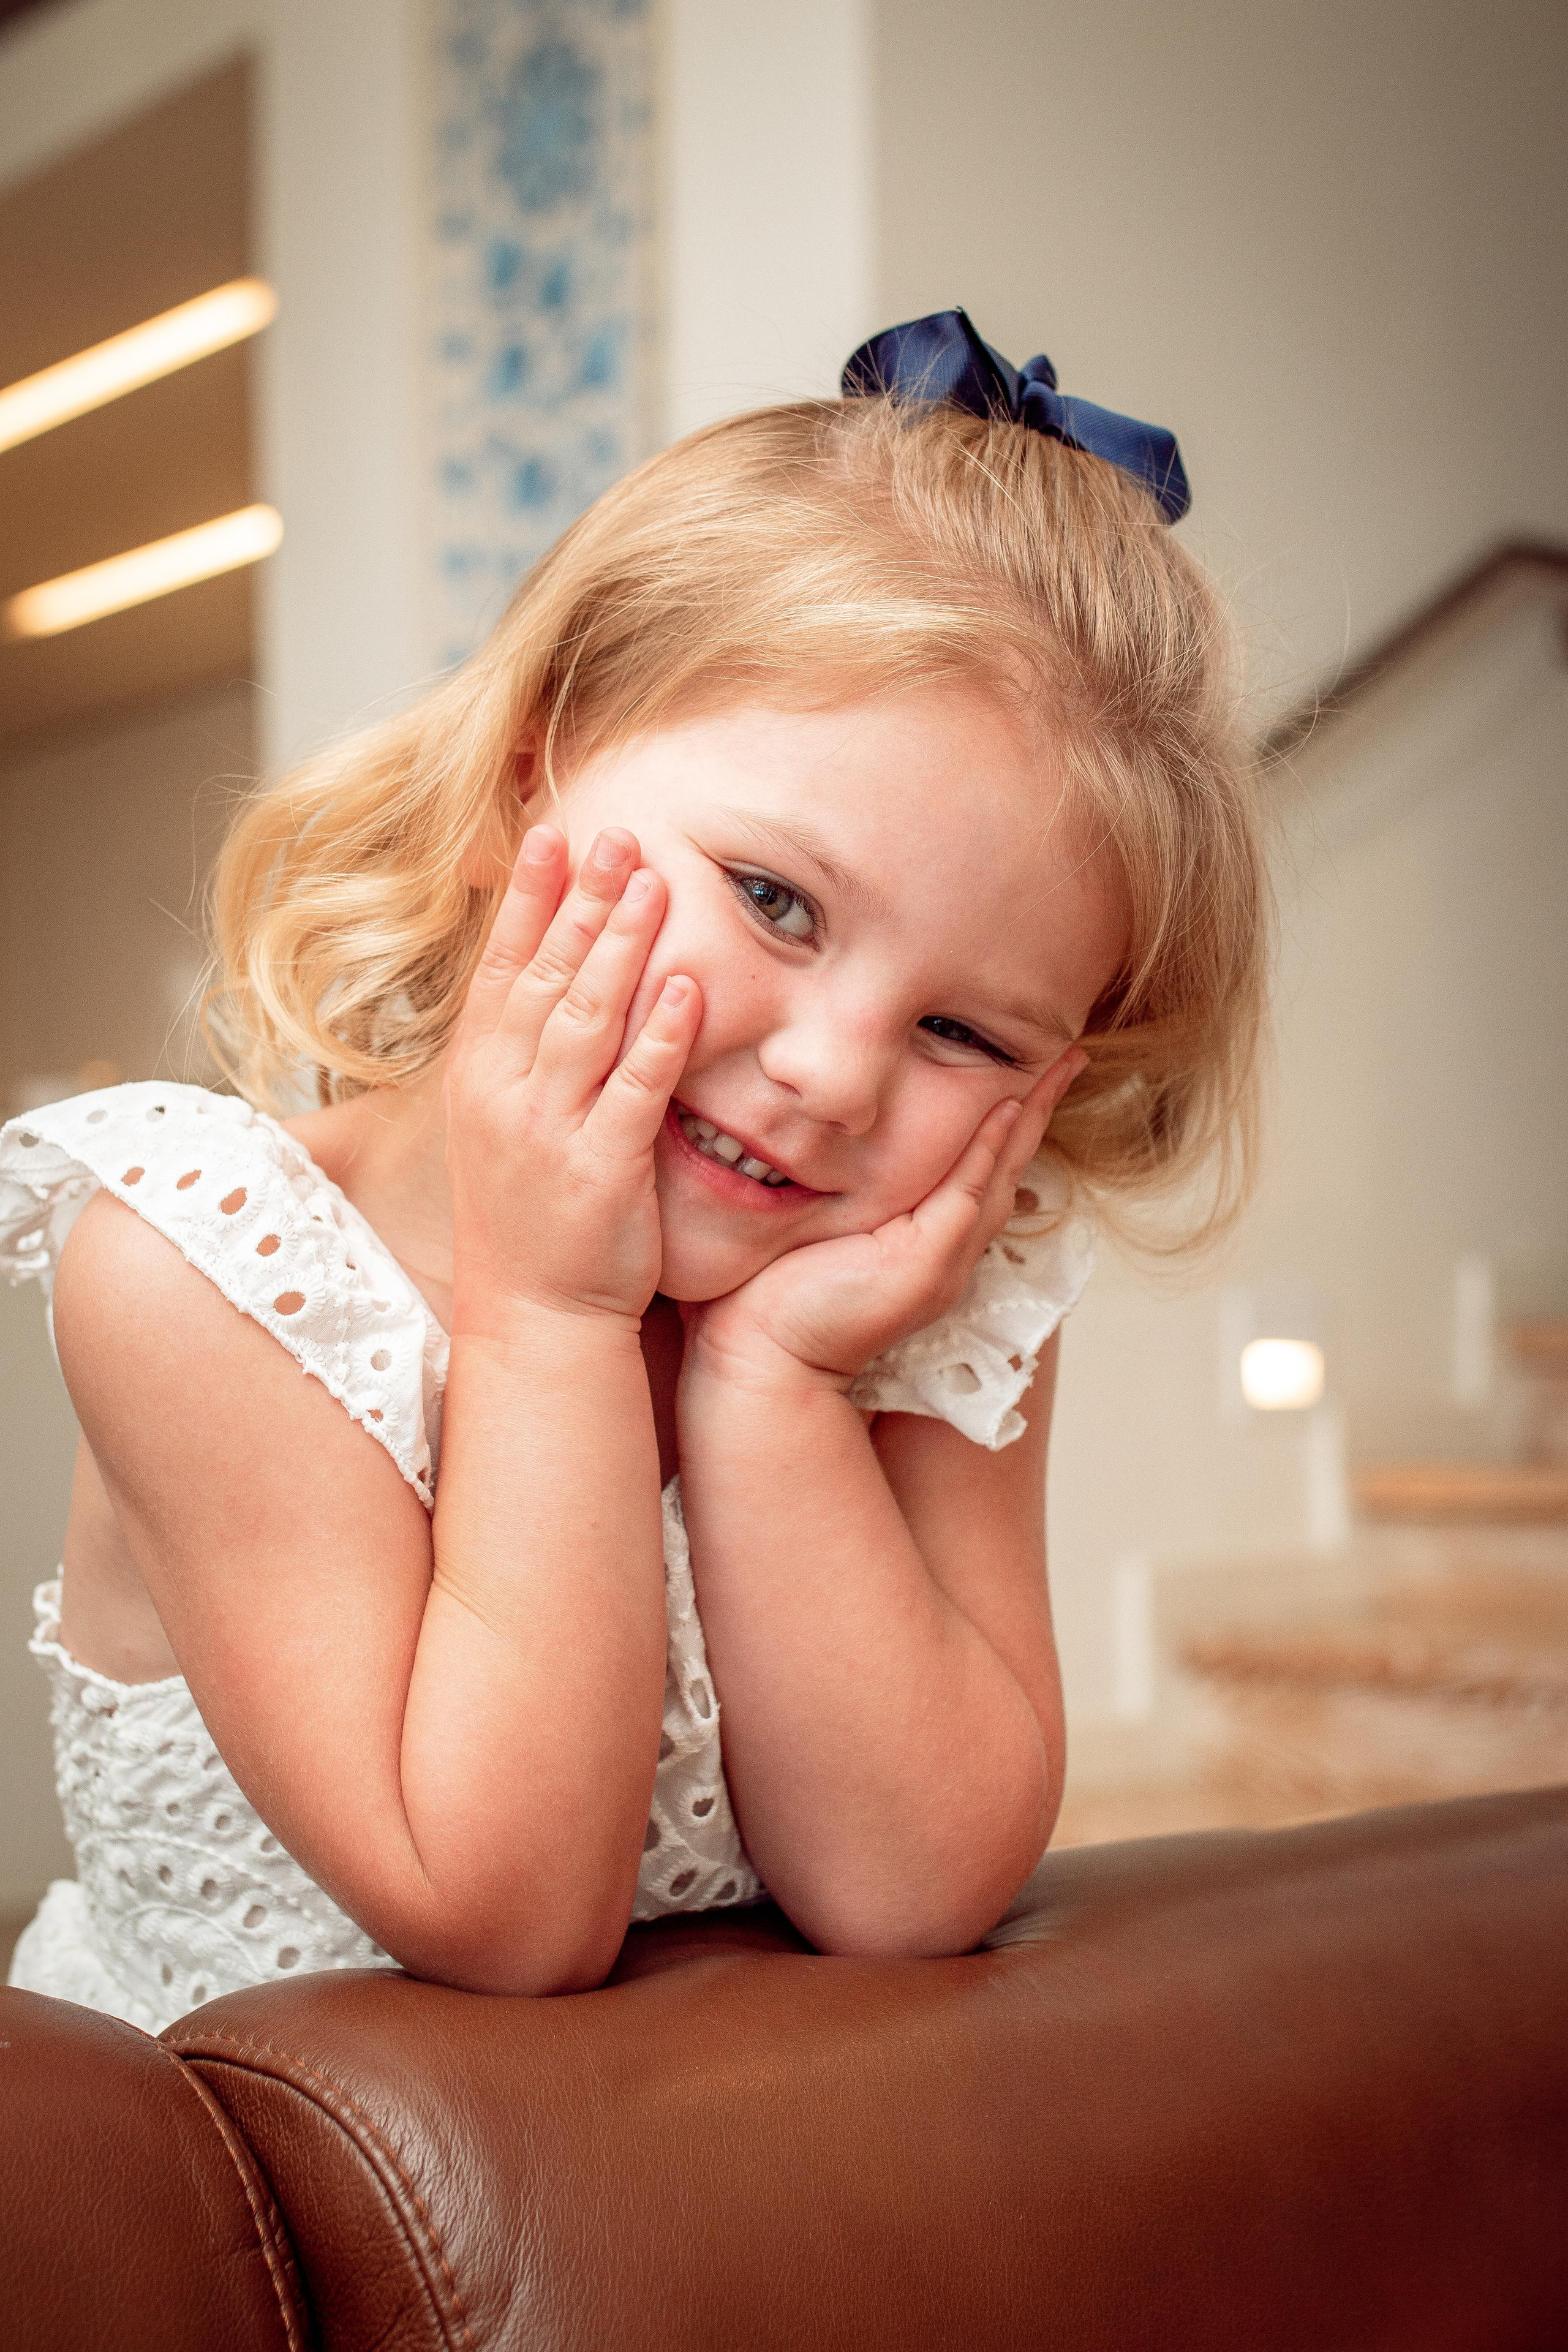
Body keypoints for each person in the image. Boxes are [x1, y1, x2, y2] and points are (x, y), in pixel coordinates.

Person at [0, 311, 1267, 2031]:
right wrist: (548, 1322)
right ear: (528, 772)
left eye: (966, 1033)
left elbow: (911, 1888)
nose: (833, 1075)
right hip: (223, 2169)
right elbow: (506, 1913)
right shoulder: (207, 1268)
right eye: (776, 900)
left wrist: (776, 1393)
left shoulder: (932, 1295)